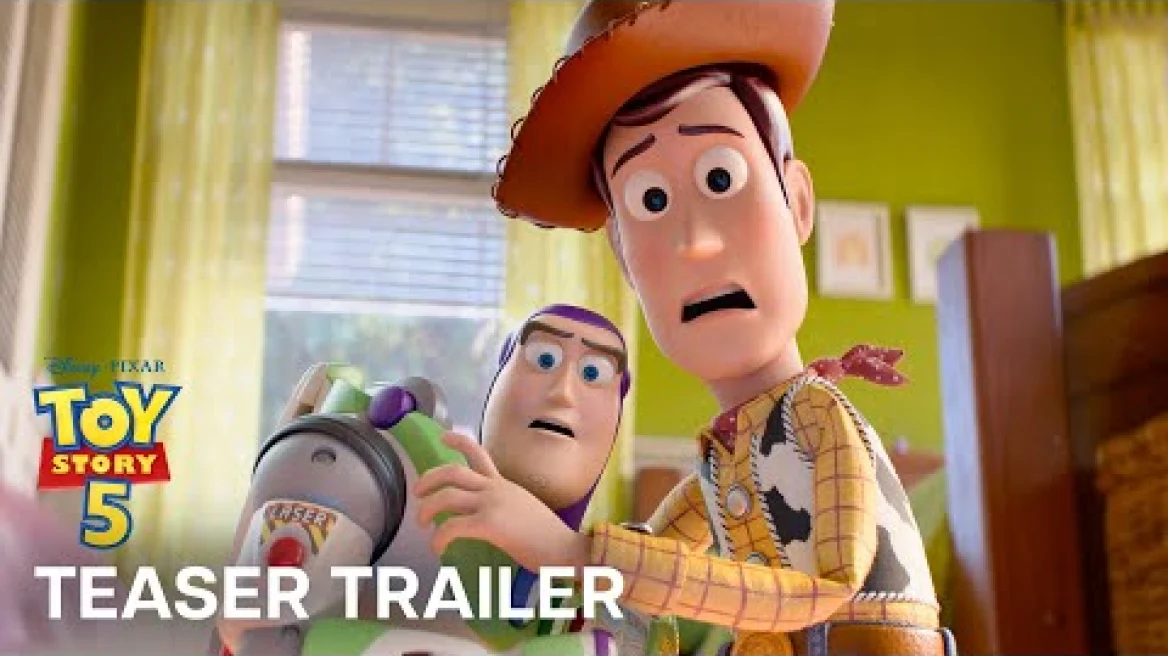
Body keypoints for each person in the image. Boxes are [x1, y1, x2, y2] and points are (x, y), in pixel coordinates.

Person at [415, 2, 955, 655]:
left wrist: (572, 553)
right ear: (624, 258)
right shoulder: (725, 455)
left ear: (797, 203)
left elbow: (822, 592)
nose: (695, 240)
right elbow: (648, 572)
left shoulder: (816, 420)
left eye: (720, 178)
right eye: (651, 201)